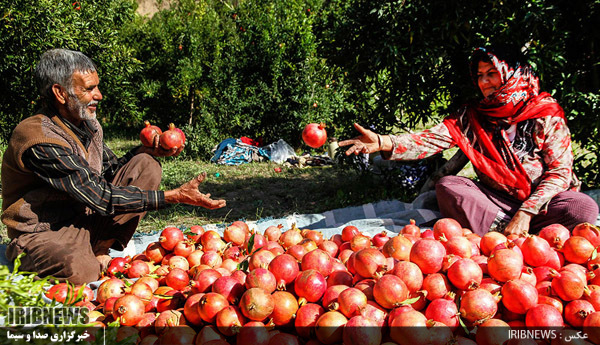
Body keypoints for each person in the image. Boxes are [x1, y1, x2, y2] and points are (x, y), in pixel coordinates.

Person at [1, 48, 226, 284]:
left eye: (96, 86)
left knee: (146, 164)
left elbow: (109, 171)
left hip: (84, 219)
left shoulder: (86, 124)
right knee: (82, 271)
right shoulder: (40, 139)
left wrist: (145, 151)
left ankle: (101, 247)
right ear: (60, 93)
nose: (98, 95)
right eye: (89, 89)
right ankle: (79, 257)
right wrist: (173, 196)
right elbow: (100, 195)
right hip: (44, 233)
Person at [339, 46, 599, 237]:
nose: (484, 82)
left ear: (513, 73)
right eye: (479, 75)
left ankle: (511, 228)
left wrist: (527, 211)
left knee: (582, 207)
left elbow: (560, 172)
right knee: (449, 187)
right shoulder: (473, 116)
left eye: (491, 73)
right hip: (495, 200)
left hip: (541, 204)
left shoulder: (546, 114)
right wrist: (384, 142)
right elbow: (431, 138)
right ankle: (510, 232)